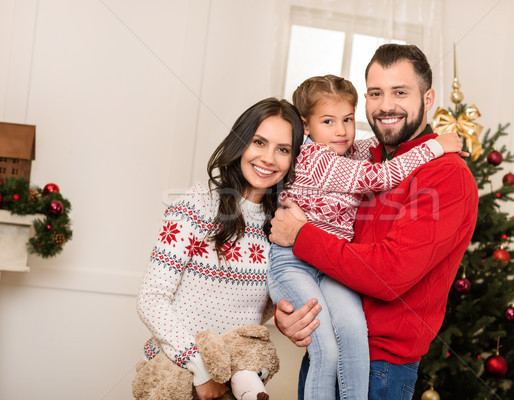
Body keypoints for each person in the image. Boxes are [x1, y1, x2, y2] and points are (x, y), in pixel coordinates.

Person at [269, 44, 479, 400]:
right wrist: (290, 315)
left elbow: (389, 273)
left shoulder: (447, 174)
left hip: (381, 369)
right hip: (325, 346)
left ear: (428, 100)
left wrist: (300, 235)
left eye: (400, 92)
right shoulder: (357, 157)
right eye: (376, 93)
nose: (385, 106)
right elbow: (325, 257)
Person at [135, 97, 304, 400]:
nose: (268, 158)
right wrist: (200, 371)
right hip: (175, 376)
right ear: (241, 142)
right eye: (259, 142)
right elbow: (152, 299)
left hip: (230, 384)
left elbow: (262, 308)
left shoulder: (280, 224)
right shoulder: (197, 203)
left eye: (283, 149)